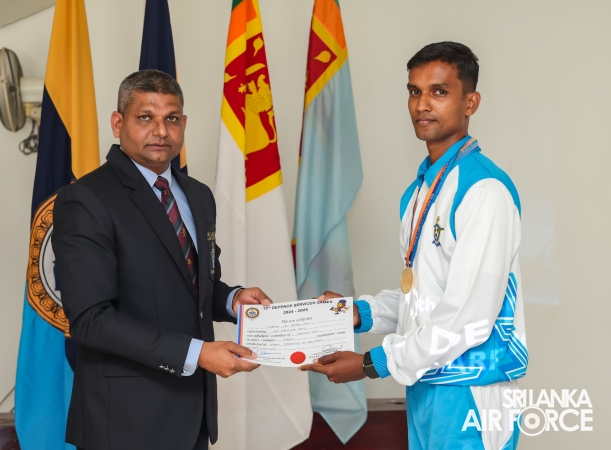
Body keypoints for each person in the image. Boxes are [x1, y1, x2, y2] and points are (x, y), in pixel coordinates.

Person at [300, 42, 528, 449]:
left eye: (439, 91)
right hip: (424, 382)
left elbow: (468, 317)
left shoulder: (484, 190)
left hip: (471, 391)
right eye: (414, 91)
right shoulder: (419, 191)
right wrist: (358, 313)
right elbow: (424, 297)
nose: (422, 104)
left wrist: (371, 363)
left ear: (470, 102)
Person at [52, 69, 270, 450]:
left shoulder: (198, 195)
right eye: (145, 117)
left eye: (171, 118)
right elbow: (91, 321)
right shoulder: (87, 199)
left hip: (194, 417)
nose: (160, 131)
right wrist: (197, 353)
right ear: (117, 123)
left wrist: (233, 300)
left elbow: (193, 287)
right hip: (124, 425)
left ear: (184, 124)